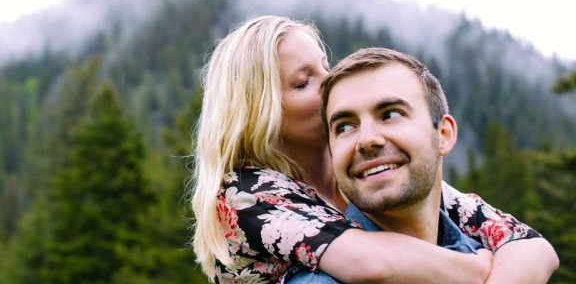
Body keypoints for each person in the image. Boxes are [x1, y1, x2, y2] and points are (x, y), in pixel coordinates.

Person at [191, 16, 558, 284]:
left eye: (325, 68)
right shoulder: (246, 192)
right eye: (304, 82)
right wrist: (478, 269)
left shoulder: (367, 169)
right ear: (257, 110)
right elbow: (370, 264)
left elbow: (529, 245)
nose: (330, 84)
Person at [287, 47, 559, 283]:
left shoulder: (495, 263)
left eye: (390, 114)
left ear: (443, 135)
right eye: (345, 126)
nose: (367, 140)